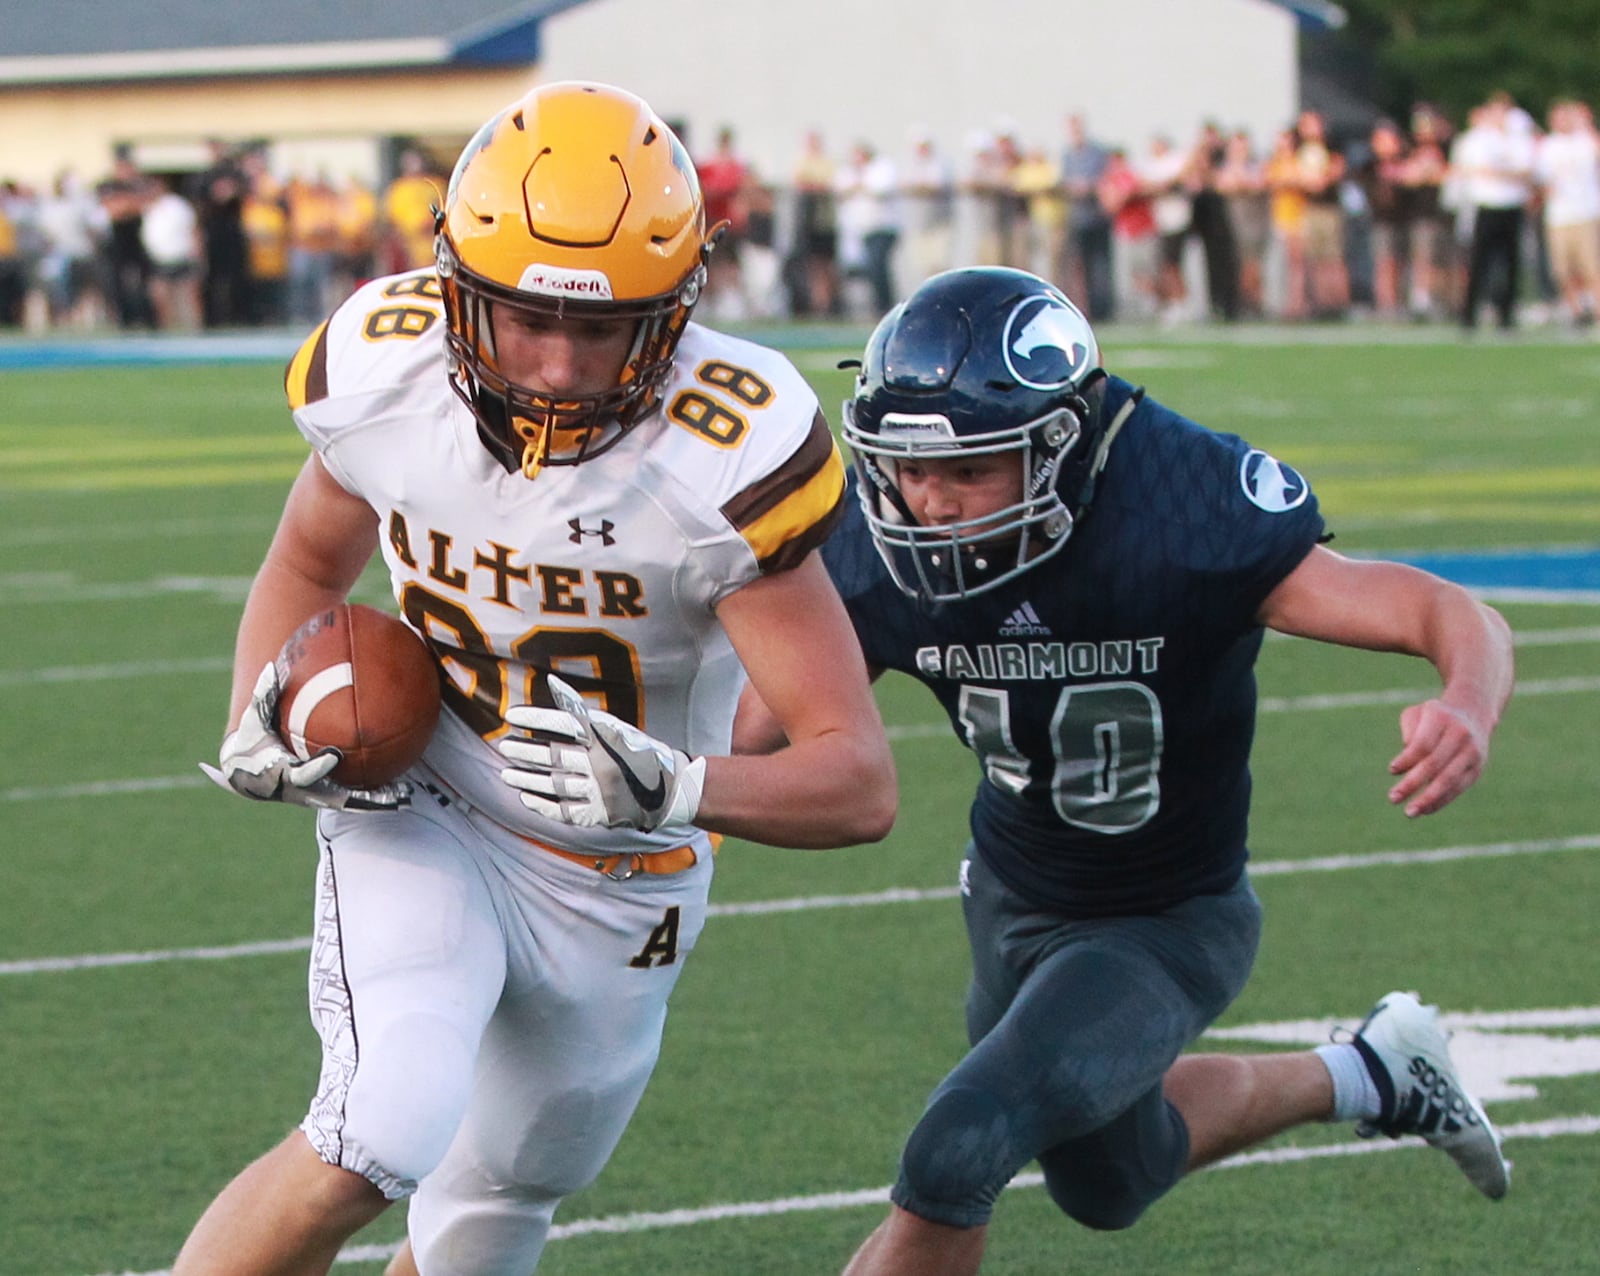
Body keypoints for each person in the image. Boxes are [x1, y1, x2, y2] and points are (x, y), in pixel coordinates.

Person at [174, 80, 895, 1276]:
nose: (558, 367)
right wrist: (263, 703)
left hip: (625, 876)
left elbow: (856, 782)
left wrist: (674, 786)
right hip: (430, 800)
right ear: (456, 290)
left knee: (492, 1211)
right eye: (522, 320)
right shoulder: (388, 379)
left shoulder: (723, 459)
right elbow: (308, 560)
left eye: (604, 328)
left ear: (675, 309)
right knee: (375, 1131)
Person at [736, 267, 1515, 1276]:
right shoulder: (875, 543)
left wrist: (1465, 700)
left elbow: (1445, 611)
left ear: (1060, 445)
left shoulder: (1178, 508)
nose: (928, 504)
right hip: (1012, 897)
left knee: (957, 1147)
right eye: (908, 471)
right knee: (1111, 1178)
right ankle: (1369, 1070)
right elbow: (759, 730)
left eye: (968, 471)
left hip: (1166, 916)